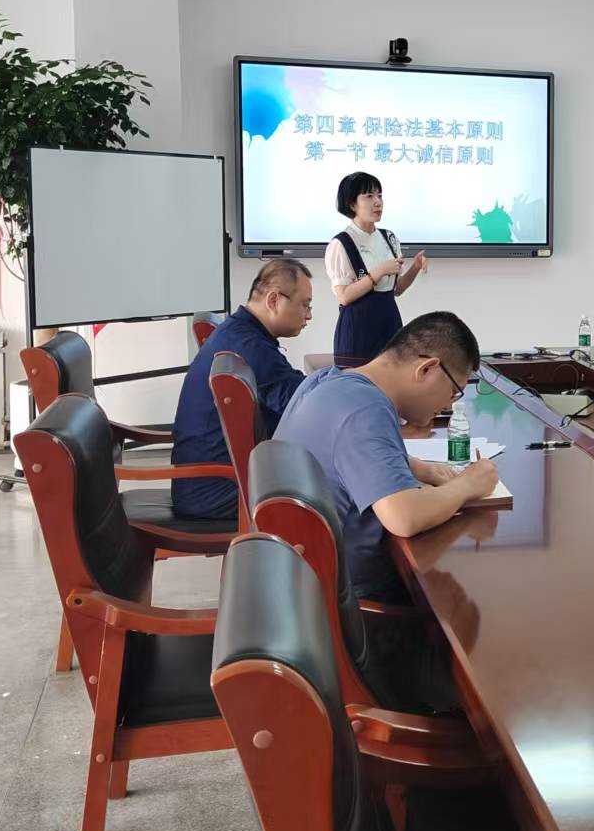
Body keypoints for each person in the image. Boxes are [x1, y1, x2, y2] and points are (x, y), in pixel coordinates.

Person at [273, 311, 498, 603]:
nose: (447, 406)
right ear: (427, 369)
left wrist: (419, 468)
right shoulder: (367, 409)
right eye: (454, 392)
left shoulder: (324, 380)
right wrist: (468, 485)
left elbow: (344, 452)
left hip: (291, 580)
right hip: (341, 602)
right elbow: (404, 517)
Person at [169, 258, 312, 519]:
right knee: (333, 486)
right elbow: (304, 404)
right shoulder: (249, 345)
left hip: (206, 482)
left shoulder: (240, 332)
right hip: (216, 490)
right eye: (305, 304)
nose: (309, 315)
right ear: (273, 300)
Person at [327, 171, 427, 362]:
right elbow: (344, 296)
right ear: (352, 204)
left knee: (394, 374)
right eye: (369, 196)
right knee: (359, 379)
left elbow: (396, 289)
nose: (378, 202)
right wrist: (379, 272)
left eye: (380, 196)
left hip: (389, 322)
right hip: (358, 329)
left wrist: (415, 266)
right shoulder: (342, 243)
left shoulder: (389, 238)